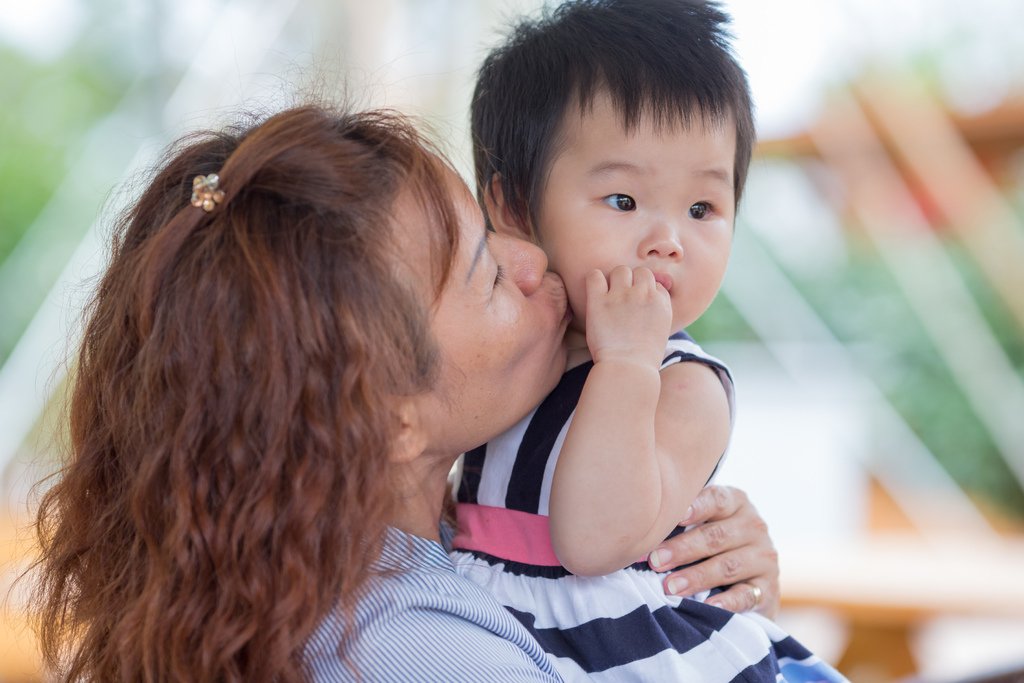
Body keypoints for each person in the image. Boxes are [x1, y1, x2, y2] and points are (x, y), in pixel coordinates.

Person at [31, 103, 784, 682]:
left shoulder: (363, 575)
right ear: (381, 415)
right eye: (487, 274)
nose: (534, 260)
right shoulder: (412, 650)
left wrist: (715, 607)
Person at [451, 1, 848, 681]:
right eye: (624, 201)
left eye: (702, 208)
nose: (668, 238)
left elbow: (593, 539)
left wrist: (628, 363)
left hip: (640, 657)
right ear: (515, 206)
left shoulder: (682, 384)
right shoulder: (500, 355)